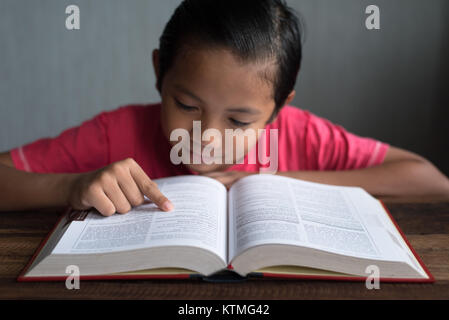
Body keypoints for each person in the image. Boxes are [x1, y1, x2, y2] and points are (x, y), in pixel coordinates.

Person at [0, 0, 448, 216]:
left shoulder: (301, 135)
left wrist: (272, 182)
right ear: (159, 73)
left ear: (277, 110)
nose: (207, 136)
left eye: (239, 120)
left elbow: (432, 183)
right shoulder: (116, 132)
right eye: (186, 104)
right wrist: (71, 187)